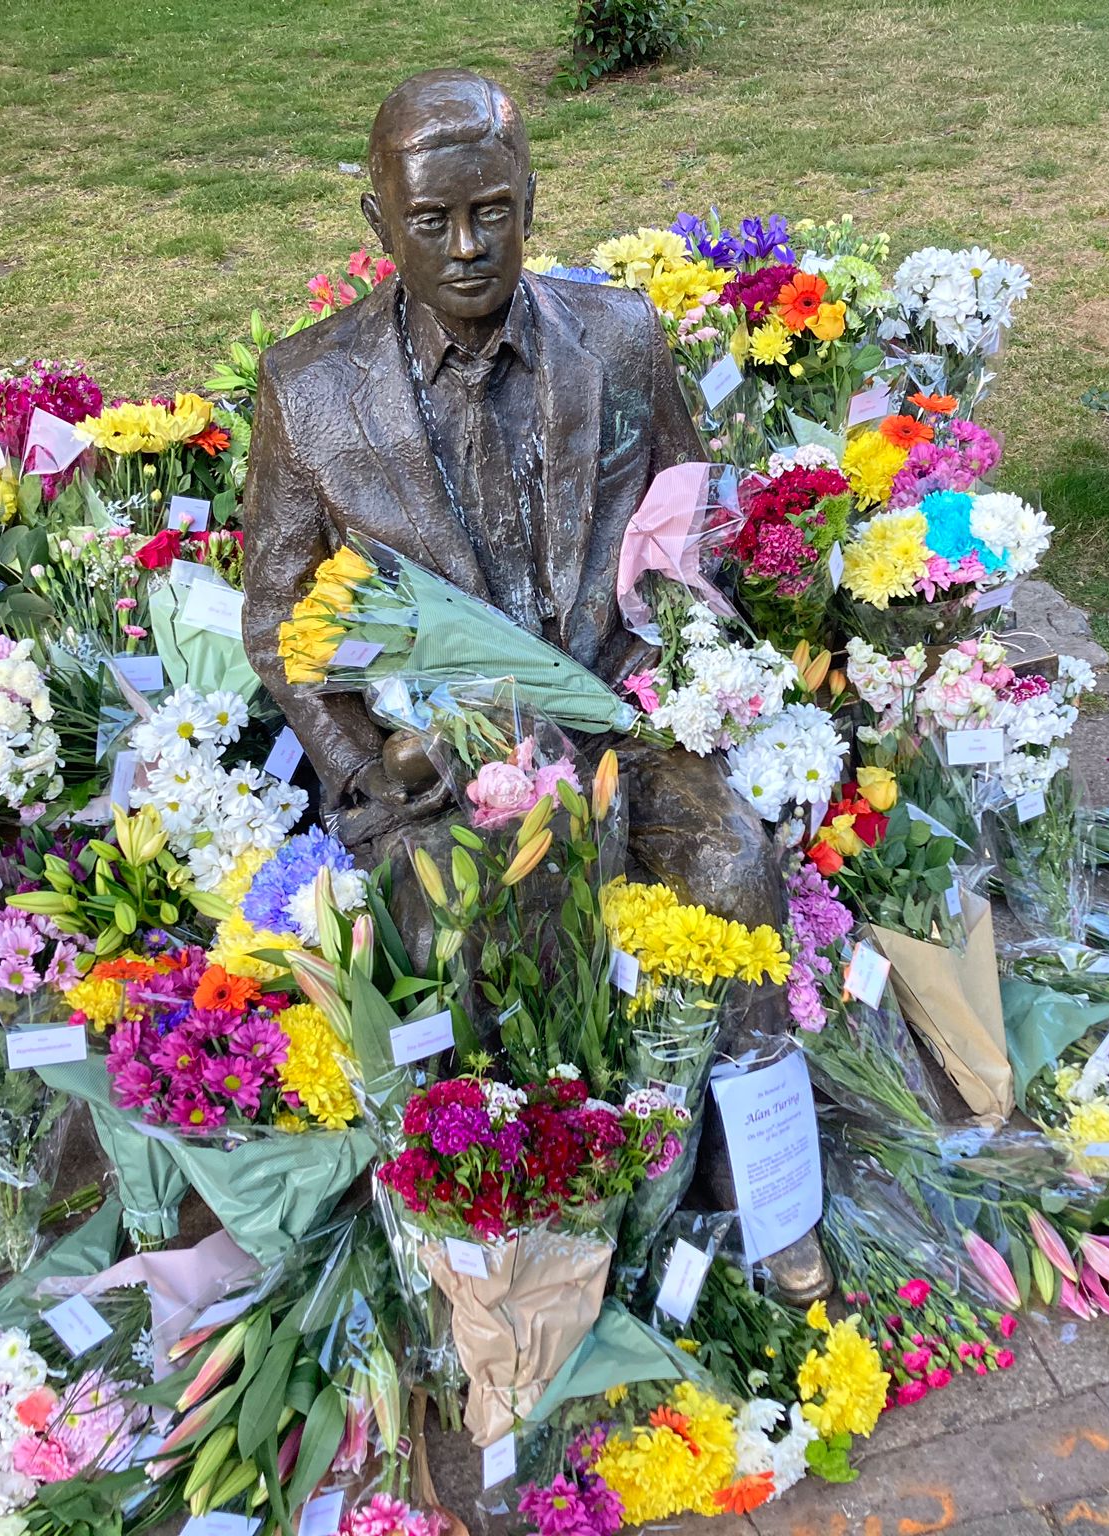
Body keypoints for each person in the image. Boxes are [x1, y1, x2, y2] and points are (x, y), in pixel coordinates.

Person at [241, 69, 831, 1300]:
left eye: (493, 213)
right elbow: (276, 617)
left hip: (616, 715)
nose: (466, 248)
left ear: (528, 201)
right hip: (446, 762)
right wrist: (371, 766)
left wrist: (687, 639)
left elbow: (692, 514)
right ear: (375, 221)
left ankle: (756, 1176)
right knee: (467, 923)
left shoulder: (618, 336)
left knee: (730, 864)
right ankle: (518, 1213)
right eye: (430, 221)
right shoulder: (308, 389)